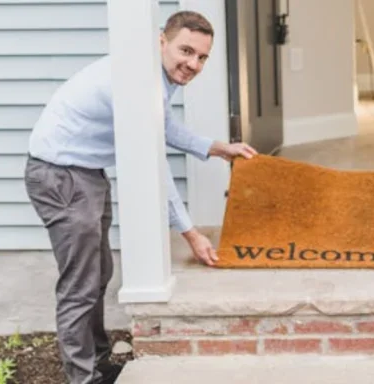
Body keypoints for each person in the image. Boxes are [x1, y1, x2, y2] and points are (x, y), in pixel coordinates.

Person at [24, 11, 256, 384]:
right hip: (61, 176)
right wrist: (191, 233)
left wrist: (215, 148)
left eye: (202, 57)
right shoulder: (135, 81)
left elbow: (162, 127)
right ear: (161, 40)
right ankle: (83, 379)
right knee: (81, 284)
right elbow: (154, 166)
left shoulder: (155, 74)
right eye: (186, 50)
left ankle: (98, 364)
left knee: (99, 274)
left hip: (85, 173)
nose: (193, 64)